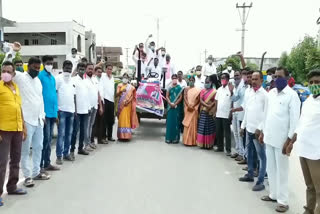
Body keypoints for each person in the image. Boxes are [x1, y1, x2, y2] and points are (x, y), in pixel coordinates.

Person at [259, 67, 301, 213]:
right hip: (269, 137)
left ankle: (283, 201)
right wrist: (262, 132)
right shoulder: (271, 94)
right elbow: (266, 114)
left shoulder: (292, 95)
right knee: (271, 168)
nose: (276, 79)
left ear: (288, 77)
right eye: (275, 77)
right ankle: (273, 194)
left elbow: (295, 121)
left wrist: (289, 141)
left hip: (282, 140)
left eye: (280, 76)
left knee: (282, 170)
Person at [285, 69, 320, 214]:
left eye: (317, 82)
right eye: (311, 82)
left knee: (319, 188)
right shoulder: (308, 101)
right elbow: (301, 125)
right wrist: (291, 142)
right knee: (309, 185)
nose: (313, 85)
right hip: (304, 149)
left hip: (316, 152)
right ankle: (309, 209)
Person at [14, 57, 50, 188]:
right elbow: (6, 69)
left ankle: (36, 172)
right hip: (26, 120)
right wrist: (11, 52)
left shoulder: (38, 81)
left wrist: (43, 115)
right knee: (25, 150)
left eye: (37, 68)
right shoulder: (20, 77)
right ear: (27, 66)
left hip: (39, 119)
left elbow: (40, 99)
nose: (36, 70)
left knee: (38, 147)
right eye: (34, 67)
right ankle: (27, 176)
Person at [0, 61, 27, 206]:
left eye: (8, 71)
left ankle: (12, 186)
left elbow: (19, 107)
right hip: (3, 129)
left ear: (13, 74)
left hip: (17, 129)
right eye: (3, 71)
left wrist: (23, 127)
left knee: (16, 159)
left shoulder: (16, 87)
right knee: (2, 162)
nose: (5, 73)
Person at [239, 71, 268, 192]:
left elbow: (266, 114)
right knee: (249, 153)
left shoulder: (265, 95)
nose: (254, 81)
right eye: (253, 79)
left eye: (257, 79)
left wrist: (260, 128)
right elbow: (247, 110)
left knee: (261, 156)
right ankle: (250, 174)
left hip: (258, 131)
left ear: (262, 80)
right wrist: (243, 126)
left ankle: (260, 181)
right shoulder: (248, 92)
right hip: (249, 129)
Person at [38, 55, 59, 171]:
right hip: (44, 114)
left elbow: (54, 96)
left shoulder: (52, 78)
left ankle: (47, 163)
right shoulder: (40, 76)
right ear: (43, 63)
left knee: (49, 139)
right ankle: (40, 165)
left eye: (51, 63)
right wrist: (42, 113)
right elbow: (39, 95)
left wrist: (56, 113)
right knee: (44, 139)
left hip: (52, 113)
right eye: (48, 63)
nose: (50, 65)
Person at [55, 60, 76, 162]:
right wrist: (56, 110)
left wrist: (75, 110)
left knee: (69, 134)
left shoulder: (72, 80)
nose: (68, 70)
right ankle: (59, 156)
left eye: (70, 68)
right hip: (61, 110)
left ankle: (66, 153)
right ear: (63, 68)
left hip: (71, 111)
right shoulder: (58, 79)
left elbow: (73, 95)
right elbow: (54, 94)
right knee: (61, 134)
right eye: (66, 68)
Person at [70, 63, 91, 157]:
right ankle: (71, 150)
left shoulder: (86, 81)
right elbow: (73, 96)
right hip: (77, 111)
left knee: (83, 130)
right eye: (80, 68)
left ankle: (80, 148)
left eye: (83, 68)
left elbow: (87, 96)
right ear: (77, 69)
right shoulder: (73, 80)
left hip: (85, 110)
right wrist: (74, 109)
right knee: (75, 131)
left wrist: (89, 108)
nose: (82, 70)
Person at [84, 63, 103, 148]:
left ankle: (89, 142)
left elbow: (98, 93)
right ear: (86, 69)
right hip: (87, 107)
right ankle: (86, 144)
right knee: (86, 126)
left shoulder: (95, 80)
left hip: (95, 106)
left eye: (92, 69)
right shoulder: (84, 80)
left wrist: (100, 106)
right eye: (89, 69)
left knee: (91, 125)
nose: (90, 70)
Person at [196, 76, 218, 149]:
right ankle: (202, 144)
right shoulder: (202, 91)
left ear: (211, 82)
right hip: (203, 110)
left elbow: (215, 101)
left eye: (208, 82)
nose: (206, 83)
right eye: (206, 82)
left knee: (209, 127)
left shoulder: (214, 91)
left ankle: (209, 144)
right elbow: (201, 100)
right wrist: (206, 105)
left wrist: (210, 106)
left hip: (210, 111)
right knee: (202, 127)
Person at [214, 73, 232, 155]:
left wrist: (230, 113)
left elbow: (232, 102)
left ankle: (228, 149)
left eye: (224, 78)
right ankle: (220, 147)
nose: (222, 80)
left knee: (227, 133)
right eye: (221, 78)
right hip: (218, 113)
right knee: (218, 131)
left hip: (226, 114)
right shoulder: (219, 89)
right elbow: (216, 101)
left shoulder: (231, 89)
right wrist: (215, 111)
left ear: (228, 80)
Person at [116, 73, 139, 140]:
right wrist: (121, 91)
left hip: (128, 105)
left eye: (126, 77)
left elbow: (133, 96)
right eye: (124, 77)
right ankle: (121, 136)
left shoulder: (131, 87)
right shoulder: (119, 85)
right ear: (122, 78)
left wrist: (128, 101)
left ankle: (127, 136)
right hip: (121, 105)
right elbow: (117, 94)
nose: (125, 79)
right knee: (122, 119)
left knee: (127, 119)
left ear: (128, 79)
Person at [230, 71, 246, 161]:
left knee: (240, 134)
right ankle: (238, 150)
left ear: (241, 76)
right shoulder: (234, 86)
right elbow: (233, 99)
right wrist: (231, 91)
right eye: (235, 76)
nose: (236, 77)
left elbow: (239, 99)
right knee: (235, 133)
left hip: (240, 113)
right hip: (234, 112)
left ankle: (242, 153)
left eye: (237, 75)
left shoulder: (243, 86)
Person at [182, 76, 201, 146]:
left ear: (194, 81)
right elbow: (185, 97)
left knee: (193, 125)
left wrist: (193, 106)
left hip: (194, 109)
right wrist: (188, 105)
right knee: (187, 124)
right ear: (188, 81)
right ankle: (186, 141)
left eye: (192, 80)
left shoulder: (197, 90)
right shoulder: (186, 89)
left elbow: (198, 99)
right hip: (187, 108)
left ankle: (192, 141)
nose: (191, 81)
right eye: (190, 80)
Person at [99, 64, 116, 142]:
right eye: (108, 69)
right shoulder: (102, 76)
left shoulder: (112, 78)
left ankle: (110, 136)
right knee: (104, 120)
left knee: (111, 120)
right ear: (105, 69)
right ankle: (103, 137)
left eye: (110, 69)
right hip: (105, 100)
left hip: (111, 101)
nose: (109, 70)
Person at [165, 74, 183, 144]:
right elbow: (167, 96)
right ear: (171, 79)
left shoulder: (179, 88)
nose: (174, 79)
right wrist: (170, 103)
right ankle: (168, 138)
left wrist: (175, 104)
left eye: (175, 78)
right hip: (170, 107)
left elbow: (180, 97)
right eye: (173, 78)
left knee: (176, 122)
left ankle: (175, 138)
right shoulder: (169, 87)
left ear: (177, 79)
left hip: (176, 107)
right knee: (169, 123)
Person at [92, 66, 107, 144]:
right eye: (98, 72)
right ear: (95, 72)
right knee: (94, 122)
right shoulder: (93, 79)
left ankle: (100, 139)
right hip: (96, 102)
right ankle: (92, 141)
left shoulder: (101, 80)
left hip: (102, 101)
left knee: (101, 122)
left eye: (101, 72)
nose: (100, 73)